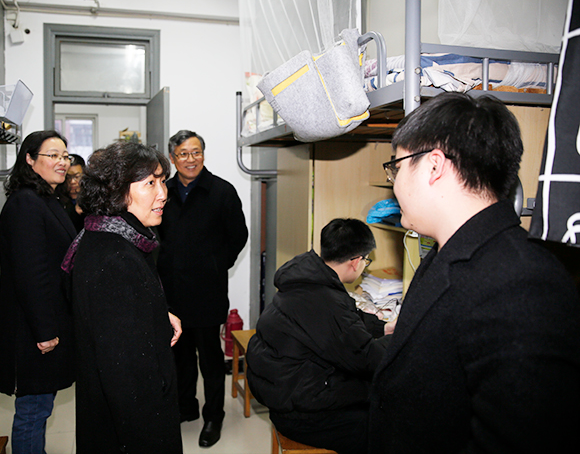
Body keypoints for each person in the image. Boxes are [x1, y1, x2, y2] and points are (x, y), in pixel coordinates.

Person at [369, 92, 580, 453]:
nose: (394, 183)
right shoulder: (450, 251)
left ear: (434, 166)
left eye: (397, 167)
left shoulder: (522, 282)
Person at [61, 142, 183, 453]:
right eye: (150, 183)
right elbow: (127, 378)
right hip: (132, 426)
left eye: (162, 181)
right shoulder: (115, 259)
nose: (163, 193)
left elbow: (118, 319)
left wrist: (157, 313)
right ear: (117, 191)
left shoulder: (107, 235)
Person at [246, 218, 394, 454]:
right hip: (302, 415)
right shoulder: (325, 300)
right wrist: (401, 337)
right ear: (356, 262)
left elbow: (347, 318)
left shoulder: (308, 280)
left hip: (288, 393)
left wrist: (383, 328)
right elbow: (370, 358)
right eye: (366, 261)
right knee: (386, 418)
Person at [157, 129, 249, 447]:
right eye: (183, 153)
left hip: (207, 292)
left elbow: (238, 236)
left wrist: (216, 264)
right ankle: (186, 408)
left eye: (196, 152)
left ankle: (214, 417)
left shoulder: (221, 191)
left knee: (210, 361)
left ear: (203, 155)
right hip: (171, 293)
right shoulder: (164, 191)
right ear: (173, 158)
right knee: (179, 358)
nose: (191, 159)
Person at [0, 130, 77, 454]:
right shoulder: (26, 204)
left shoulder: (47, 200)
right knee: (33, 411)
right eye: (53, 155)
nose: (62, 162)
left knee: (40, 408)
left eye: (65, 156)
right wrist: (45, 331)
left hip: (43, 323)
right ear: (29, 159)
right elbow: (32, 274)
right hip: (31, 331)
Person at [58, 153, 86, 231]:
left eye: (77, 176)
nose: (73, 181)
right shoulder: (58, 199)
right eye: (68, 177)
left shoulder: (90, 198)